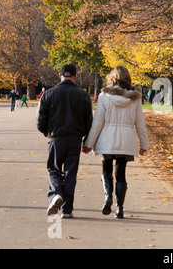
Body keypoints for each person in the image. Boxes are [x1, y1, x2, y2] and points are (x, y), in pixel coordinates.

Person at [82, 66, 149, 219]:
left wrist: (88, 144)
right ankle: (119, 208)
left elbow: (97, 123)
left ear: (112, 78)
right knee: (121, 175)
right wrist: (144, 146)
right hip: (126, 141)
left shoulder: (104, 96)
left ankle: (108, 197)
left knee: (106, 170)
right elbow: (140, 124)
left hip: (107, 140)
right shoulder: (134, 98)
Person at [37, 64, 93, 218]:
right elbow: (89, 122)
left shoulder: (48, 94)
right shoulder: (83, 96)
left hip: (56, 138)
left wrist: (47, 132)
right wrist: (87, 142)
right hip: (75, 139)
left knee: (54, 169)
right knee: (70, 173)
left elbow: (40, 120)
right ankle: (66, 209)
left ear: (59, 75)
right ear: (75, 76)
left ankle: (55, 194)